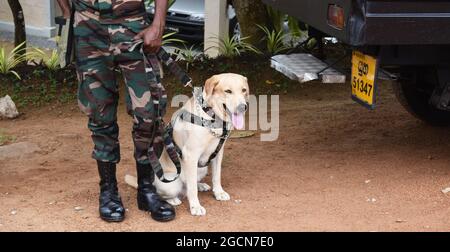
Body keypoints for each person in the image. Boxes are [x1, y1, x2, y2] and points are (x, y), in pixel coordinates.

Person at [56, 0, 175, 222]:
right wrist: (67, 12)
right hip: (88, 28)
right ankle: (108, 191)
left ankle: (146, 189)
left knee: (149, 112)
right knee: (100, 112)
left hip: (134, 26)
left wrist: (158, 24)